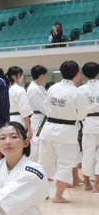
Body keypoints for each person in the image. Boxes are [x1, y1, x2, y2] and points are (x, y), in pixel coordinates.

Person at [39, 60, 88, 203]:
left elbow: (46, 106)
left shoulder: (52, 88)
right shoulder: (77, 92)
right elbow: (82, 114)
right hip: (67, 131)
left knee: (44, 163)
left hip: (48, 128)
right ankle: (58, 197)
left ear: (61, 74)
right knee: (65, 164)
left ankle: (42, 194)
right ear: (77, 74)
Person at [79, 61, 99, 193]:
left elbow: (78, 108)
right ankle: (96, 185)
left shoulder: (81, 90)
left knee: (87, 154)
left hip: (88, 123)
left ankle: (87, 183)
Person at [27, 65, 48, 162]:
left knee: (38, 143)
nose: (45, 77)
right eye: (44, 75)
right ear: (41, 75)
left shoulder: (38, 88)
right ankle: (35, 165)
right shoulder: (34, 89)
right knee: (36, 144)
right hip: (39, 119)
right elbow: (44, 107)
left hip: (40, 117)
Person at [7, 66, 33, 141]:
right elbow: (24, 110)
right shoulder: (19, 90)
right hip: (19, 121)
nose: (22, 77)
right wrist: (29, 129)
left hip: (10, 119)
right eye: (21, 75)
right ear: (14, 77)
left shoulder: (9, 89)